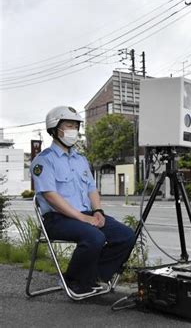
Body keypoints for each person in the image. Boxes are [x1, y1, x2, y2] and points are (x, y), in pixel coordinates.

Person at [31, 106, 135, 297]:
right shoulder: (44, 160)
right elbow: (50, 196)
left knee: (126, 235)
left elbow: (91, 189)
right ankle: (73, 280)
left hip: (85, 215)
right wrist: (81, 217)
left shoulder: (81, 159)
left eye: (75, 126)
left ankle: (91, 277)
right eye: (68, 125)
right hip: (57, 219)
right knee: (94, 236)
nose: (73, 130)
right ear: (54, 129)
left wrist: (98, 212)